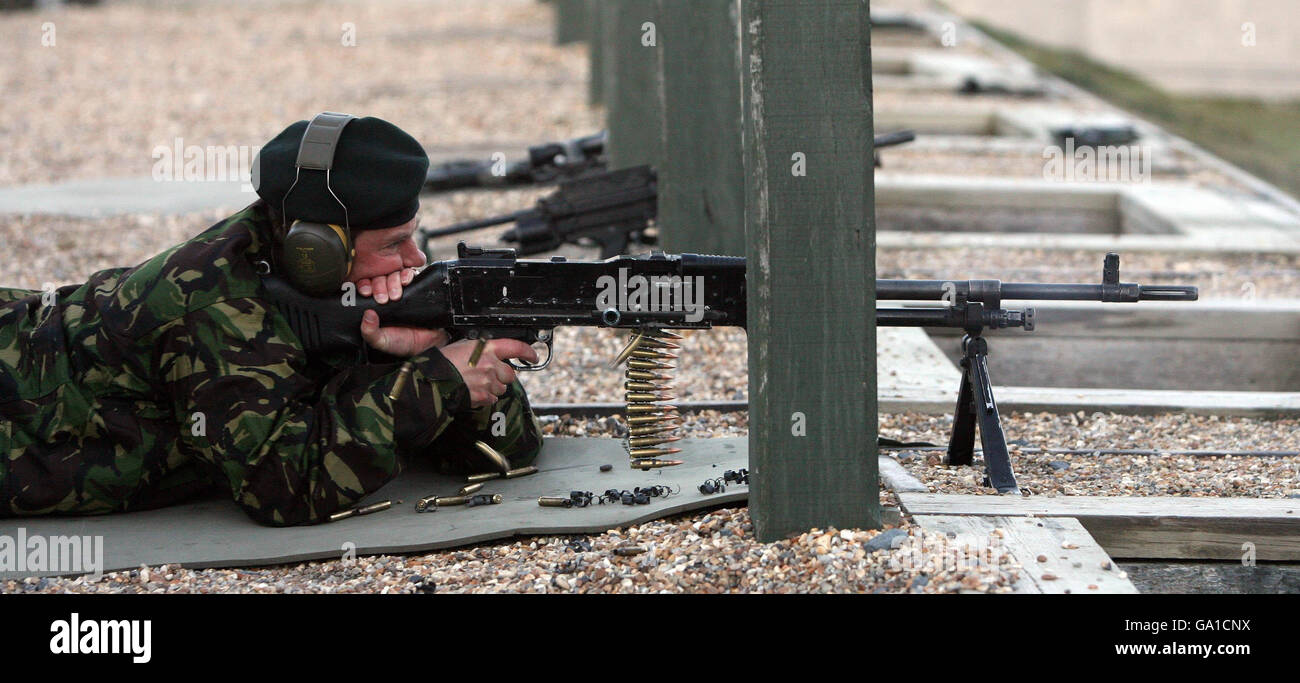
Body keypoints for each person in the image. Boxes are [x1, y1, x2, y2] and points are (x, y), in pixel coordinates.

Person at [0, 114, 544, 525]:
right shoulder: (215, 305)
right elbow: (283, 487)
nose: (415, 261)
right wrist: (430, 382)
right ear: (317, 251)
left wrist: (443, 351)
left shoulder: (327, 292)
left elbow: (499, 454)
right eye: (394, 244)